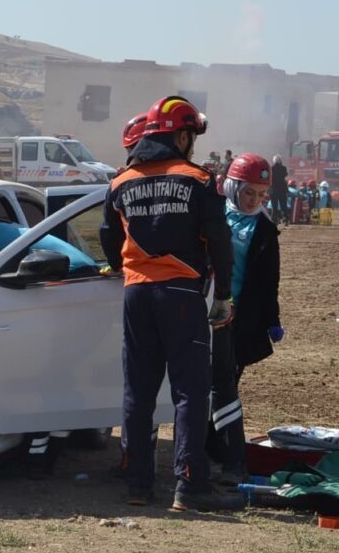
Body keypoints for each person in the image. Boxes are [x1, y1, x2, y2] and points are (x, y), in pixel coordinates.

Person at [101, 94, 240, 512]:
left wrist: (122, 268)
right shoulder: (198, 180)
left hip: (136, 293)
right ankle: (189, 486)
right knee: (189, 391)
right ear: (180, 136)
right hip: (181, 293)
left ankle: (139, 486)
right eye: (191, 136)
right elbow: (220, 242)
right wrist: (226, 296)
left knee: (138, 392)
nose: (192, 144)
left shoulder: (121, 182)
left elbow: (109, 238)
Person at [206, 154, 283, 482]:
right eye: (249, 192)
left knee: (225, 384)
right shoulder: (213, 214)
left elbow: (269, 281)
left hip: (239, 320)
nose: (254, 200)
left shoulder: (264, 229)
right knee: (203, 383)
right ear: (234, 188)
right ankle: (206, 446)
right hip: (204, 312)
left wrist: (272, 320)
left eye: (261, 195)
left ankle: (216, 449)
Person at [270, 154, 289, 226]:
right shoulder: (284, 168)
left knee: (274, 206)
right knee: (283, 206)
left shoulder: (271, 168)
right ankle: (285, 220)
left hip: (273, 190)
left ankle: (274, 220)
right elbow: (285, 175)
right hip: (282, 189)